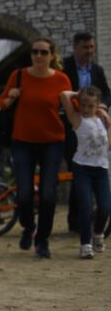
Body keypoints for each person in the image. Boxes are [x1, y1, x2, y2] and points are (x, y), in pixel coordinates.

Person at [0, 38, 73, 258]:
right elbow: (2, 103)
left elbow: (73, 107)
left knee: (49, 195)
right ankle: (28, 227)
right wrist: (10, 98)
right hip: (23, 141)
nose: (38, 56)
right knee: (24, 194)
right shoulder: (18, 76)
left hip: (52, 141)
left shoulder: (61, 79)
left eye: (43, 52)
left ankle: (42, 240)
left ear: (52, 55)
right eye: (35, 52)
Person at [62, 32, 109, 233]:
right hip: (71, 126)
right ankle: (77, 219)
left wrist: (103, 106)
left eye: (91, 47)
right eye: (85, 47)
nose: (89, 51)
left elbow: (106, 92)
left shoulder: (97, 70)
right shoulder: (64, 68)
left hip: (93, 126)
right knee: (77, 171)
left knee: (86, 172)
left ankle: (85, 219)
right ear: (75, 48)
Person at [58, 87, 110, 259]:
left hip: (101, 168)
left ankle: (98, 233)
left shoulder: (102, 120)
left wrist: (106, 116)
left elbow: (107, 144)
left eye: (90, 106)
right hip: (82, 168)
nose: (86, 109)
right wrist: (78, 94)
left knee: (105, 207)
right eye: (83, 105)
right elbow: (64, 95)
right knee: (85, 206)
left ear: (98, 105)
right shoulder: (77, 119)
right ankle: (85, 244)